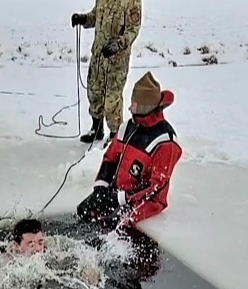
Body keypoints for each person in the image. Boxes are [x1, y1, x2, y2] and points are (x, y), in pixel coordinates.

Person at [77, 71, 182, 232]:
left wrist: (120, 199)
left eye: (134, 104)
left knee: (111, 224)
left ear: (146, 107)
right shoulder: (128, 127)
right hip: (117, 191)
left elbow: (156, 185)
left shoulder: (166, 142)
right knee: (85, 210)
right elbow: (110, 158)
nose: (130, 107)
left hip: (147, 200)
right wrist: (101, 187)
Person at [71, 0, 142, 145]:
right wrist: (82, 19)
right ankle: (97, 128)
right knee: (94, 93)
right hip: (99, 57)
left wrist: (118, 45)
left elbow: (133, 29)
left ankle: (115, 136)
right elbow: (95, 16)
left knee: (112, 100)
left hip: (117, 60)